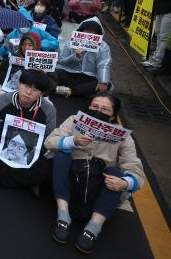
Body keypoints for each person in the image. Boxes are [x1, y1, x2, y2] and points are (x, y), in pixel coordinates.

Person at [46, 92, 145, 254]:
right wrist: (72, 141)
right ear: (88, 107)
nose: (99, 111)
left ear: (113, 115)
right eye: (95, 107)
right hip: (71, 180)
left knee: (116, 172)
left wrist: (126, 183)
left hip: (98, 187)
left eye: (105, 109)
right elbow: (49, 142)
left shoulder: (122, 136)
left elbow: (135, 167)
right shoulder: (73, 121)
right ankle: (63, 215)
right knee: (61, 155)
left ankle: (94, 227)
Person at [0, 69, 56, 189]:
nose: (28, 92)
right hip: (2, 146)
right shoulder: (1, 100)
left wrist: (31, 154)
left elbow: (48, 138)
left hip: (30, 152)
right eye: (26, 86)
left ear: (41, 94)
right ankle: (22, 179)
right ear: (19, 84)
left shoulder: (48, 109)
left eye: (34, 90)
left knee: (47, 166)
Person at [55, 17, 111, 97]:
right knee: (56, 72)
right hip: (71, 73)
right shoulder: (70, 43)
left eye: (92, 31)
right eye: (87, 30)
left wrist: (103, 81)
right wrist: (76, 56)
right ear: (81, 30)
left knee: (106, 84)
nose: (89, 33)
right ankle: (80, 92)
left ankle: (71, 91)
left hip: (90, 76)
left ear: (97, 33)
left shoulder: (103, 46)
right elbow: (61, 62)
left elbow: (104, 64)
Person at [142, 0, 171, 69]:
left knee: (164, 35)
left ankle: (158, 59)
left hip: (168, 11)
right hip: (161, 9)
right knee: (158, 32)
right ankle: (156, 56)